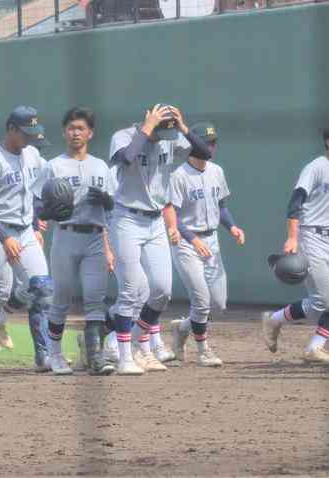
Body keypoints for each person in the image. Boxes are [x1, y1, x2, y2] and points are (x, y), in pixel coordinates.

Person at [107, 104, 212, 375]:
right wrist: (149, 126)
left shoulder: (170, 138)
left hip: (155, 221)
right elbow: (127, 157)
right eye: (162, 130)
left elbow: (205, 152)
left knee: (162, 291)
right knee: (131, 290)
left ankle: (138, 346)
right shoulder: (124, 136)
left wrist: (183, 127)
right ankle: (124, 356)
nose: (167, 137)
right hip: (127, 219)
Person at [0, 105, 54, 371]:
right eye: (25, 132)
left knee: (43, 290)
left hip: (25, 231)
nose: (29, 137)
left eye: (33, 132)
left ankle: (44, 356)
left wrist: (38, 225)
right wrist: (4, 238)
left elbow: (38, 193)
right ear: (11, 129)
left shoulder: (33, 155)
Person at [262, 123, 329, 365]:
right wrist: (292, 237)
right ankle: (275, 319)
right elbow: (295, 203)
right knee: (321, 300)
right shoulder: (315, 168)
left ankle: (314, 348)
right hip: (311, 236)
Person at [42, 107, 117, 375]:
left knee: (95, 300)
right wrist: (49, 210)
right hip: (66, 236)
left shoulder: (101, 166)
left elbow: (112, 207)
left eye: (81, 128)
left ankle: (96, 357)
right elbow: (38, 206)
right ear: (64, 132)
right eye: (72, 128)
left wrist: (107, 200)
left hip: (96, 238)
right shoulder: (53, 165)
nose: (76, 133)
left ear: (90, 133)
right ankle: (55, 355)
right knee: (61, 298)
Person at [167, 121, 243, 367]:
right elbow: (173, 216)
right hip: (188, 242)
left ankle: (182, 328)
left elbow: (221, 206)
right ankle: (203, 350)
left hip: (212, 240)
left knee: (217, 303)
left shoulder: (216, 171)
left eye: (213, 142)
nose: (211, 146)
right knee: (200, 300)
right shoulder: (178, 176)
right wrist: (193, 239)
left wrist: (232, 226)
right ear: (193, 145)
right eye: (206, 142)